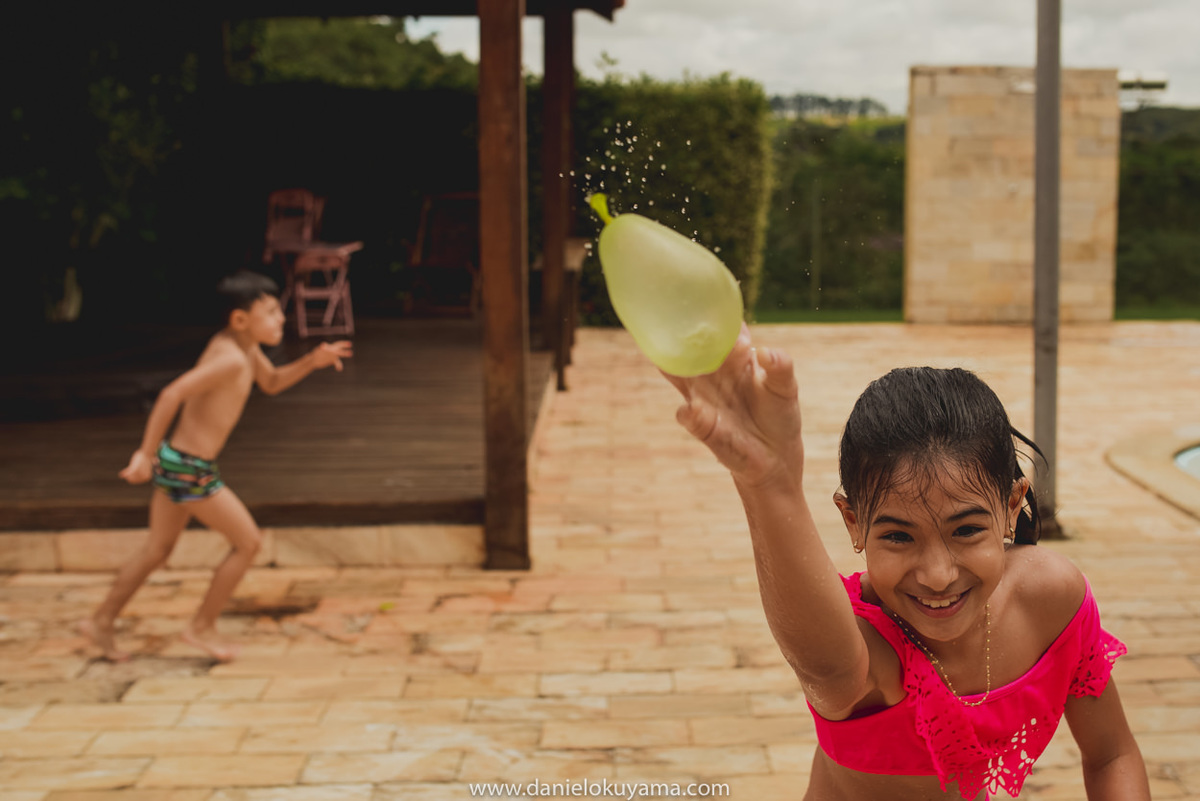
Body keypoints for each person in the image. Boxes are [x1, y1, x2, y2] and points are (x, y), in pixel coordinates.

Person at [664, 327, 1149, 800]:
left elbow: (1111, 755)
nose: (938, 575)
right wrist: (769, 484)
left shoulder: (1052, 599)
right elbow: (826, 666)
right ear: (853, 522)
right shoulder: (866, 645)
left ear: (1010, 504)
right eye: (898, 536)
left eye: (966, 530)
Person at [79, 271, 353, 663]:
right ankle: (201, 626)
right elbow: (171, 393)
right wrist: (144, 452)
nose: (280, 320)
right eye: (272, 313)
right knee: (248, 543)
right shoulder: (228, 358)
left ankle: (102, 620)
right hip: (187, 468)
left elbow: (272, 382)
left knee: (157, 549)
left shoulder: (242, 347)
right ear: (240, 319)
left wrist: (312, 360)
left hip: (180, 462)